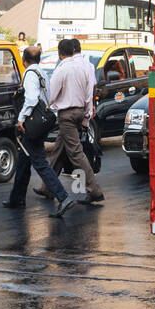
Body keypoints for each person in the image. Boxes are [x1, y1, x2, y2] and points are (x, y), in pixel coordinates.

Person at [3, 44, 73, 216]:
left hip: (32, 123)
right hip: (41, 122)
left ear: (23, 60)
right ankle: (17, 198)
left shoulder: (29, 74)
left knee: (39, 162)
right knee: (23, 160)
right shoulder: (42, 72)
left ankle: (63, 197)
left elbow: (32, 99)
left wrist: (21, 119)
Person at [44, 37, 104, 205]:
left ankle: (95, 190)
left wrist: (49, 106)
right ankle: (47, 186)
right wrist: (86, 118)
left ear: (60, 53)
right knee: (58, 149)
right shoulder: (85, 68)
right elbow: (88, 96)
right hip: (79, 113)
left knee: (76, 153)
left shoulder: (61, 70)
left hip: (67, 116)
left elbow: (52, 95)